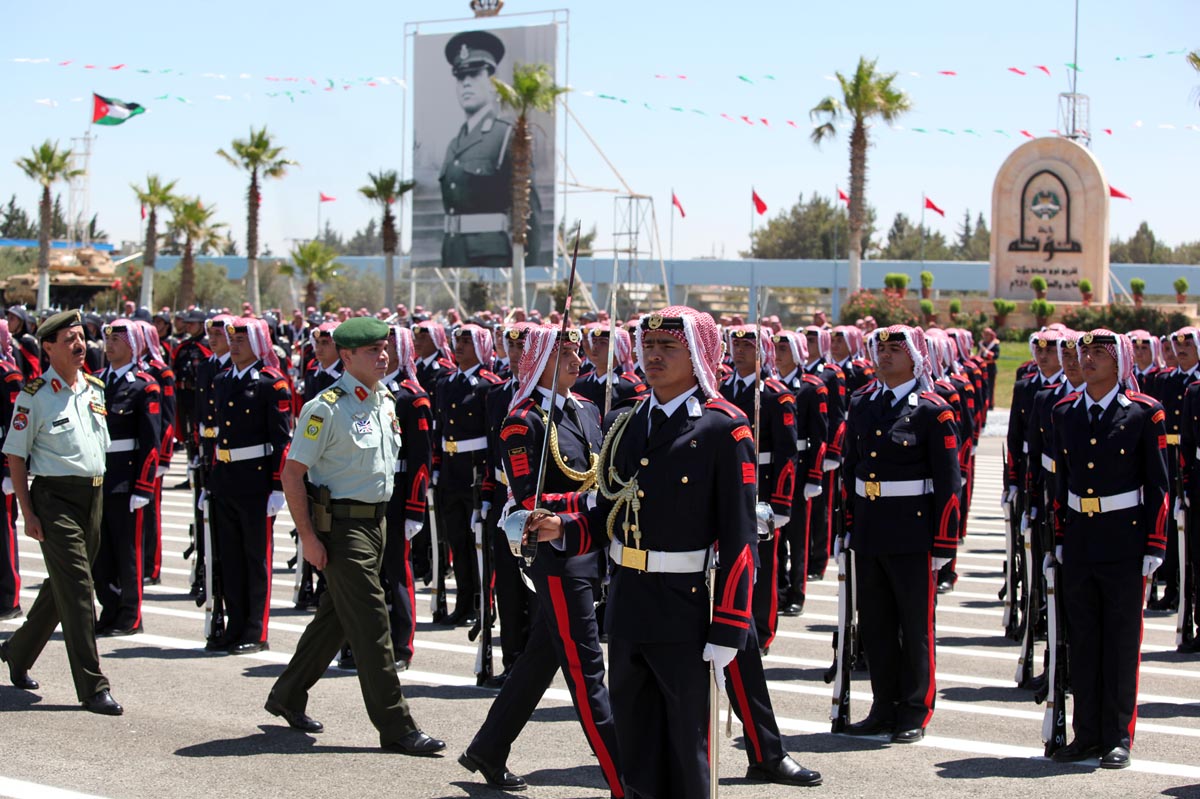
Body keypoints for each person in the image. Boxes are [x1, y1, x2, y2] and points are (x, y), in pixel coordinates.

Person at [527, 306, 765, 797]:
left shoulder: (724, 428)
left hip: (686, 605)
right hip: (629, 602)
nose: (653, 356)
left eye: (668, 347)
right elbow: (607, 512)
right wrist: (562, 528)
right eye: (648, 346)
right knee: (635, 747)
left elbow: (740, 540)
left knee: (686, 747)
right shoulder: (625, 421)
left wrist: (730, 628)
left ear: (697, 354)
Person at [266, 316, 446, 757]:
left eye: (384, 348)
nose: (383, 356)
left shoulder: (385, 399)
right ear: (346, 357)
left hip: (377, 523)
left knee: (335, 619)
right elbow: (292, 473)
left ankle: (287, 694)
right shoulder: (325, 408)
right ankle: (397, 726)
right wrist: (308, 537)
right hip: (343, 529)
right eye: (372, 351)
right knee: (371, 623)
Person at [460, 326, 623, 795]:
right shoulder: (523, 420)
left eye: (576, 351)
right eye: (564, 353)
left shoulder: (587, 409)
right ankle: (623, 768)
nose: (576, 360)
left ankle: (488, 747)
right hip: (554, 555)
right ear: (538, 361)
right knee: (587, 666)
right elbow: (527, 497)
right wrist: (588, 504)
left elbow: (600, 474)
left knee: (542, 658)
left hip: (587, 547)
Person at [1048, 329, 1167, 769]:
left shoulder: (1144, 412)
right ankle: (1087, 734)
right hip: (1081, 538)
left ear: (1119, 361)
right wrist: (1059, 539)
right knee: (1083, 640)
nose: (1088, 359)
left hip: (1124, 540)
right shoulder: (1065, 411)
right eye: (1085, 352)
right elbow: (1061, 482)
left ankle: (1118, 736)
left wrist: (1155, 543)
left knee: (1120, 642)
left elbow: (1158, 485)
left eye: (1099, 352)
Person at [841, 325, 961, 743]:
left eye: (895, 348)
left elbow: (948, 482)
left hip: (913, 532)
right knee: (875, 624)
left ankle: (914, 709)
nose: (885, 355)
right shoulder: (862, 403)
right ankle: (883, 705)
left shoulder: (932, 410)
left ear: (915, 356)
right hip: (870, 528)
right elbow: (851, 470)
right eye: (881, 348)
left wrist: (944, 542)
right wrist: (847, 527)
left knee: (914, 626)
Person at [0, 310, 122, 715]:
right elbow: (16, 456)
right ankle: (92, 686)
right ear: (48, 347)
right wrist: (28, 511)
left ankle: (17, 651)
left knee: (63, 586)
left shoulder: (95, 388)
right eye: (69, 339)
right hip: (55, 499)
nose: (79, 345)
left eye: (81, 337)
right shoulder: (34, 396)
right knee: (79, 589)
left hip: (94, 496)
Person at [208, 317, 292, 655]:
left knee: (256, 559)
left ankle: (256, 631)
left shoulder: (272, 383)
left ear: (258, 344)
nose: (234, 345)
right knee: (230, 558)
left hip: (256, 481)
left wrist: (278, 487)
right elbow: (219, 435)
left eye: (241, 340)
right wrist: (211, 480)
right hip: (226, 477)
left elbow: (281, 440)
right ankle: (234, 626)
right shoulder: (222, 379)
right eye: (232, 339)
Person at [439, 29, 542, 269]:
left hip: (492, 256)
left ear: (493, 83)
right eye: (460, 77)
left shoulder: (507, 136)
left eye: (474, 74)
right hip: (453, 253)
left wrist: (529, 269)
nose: (466, 83)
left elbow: (531, 209)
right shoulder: (454, 145)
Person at [93, 319, 162, 636]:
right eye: (107, 340)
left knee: (127, 552)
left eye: (117, 340)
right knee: (101, 552)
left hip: (126, 479)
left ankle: (130, 615)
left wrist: (143, 486)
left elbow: (151, 442)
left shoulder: (144, 386)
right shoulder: (94, 382)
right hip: (98, 477)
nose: (109, 345)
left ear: (132, 345)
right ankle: (109, 609)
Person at [434, 324, 501, 626]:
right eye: (457, 341)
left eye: (467, 341)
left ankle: (483, 603)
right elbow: (440, 429)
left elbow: (492, 437)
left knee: (480, 545)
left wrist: (486, 478)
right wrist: (437, 466)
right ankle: (463, 602)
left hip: (476, 471)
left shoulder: (488, 385)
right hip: (451, 470)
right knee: (457, 540)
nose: (459, 346)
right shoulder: (446, 382)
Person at [0, 321, 25, 621]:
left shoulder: (9, 375)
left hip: (1, 461)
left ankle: (10, 598)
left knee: (3, 532)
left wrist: (10, 469)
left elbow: (16, 425)